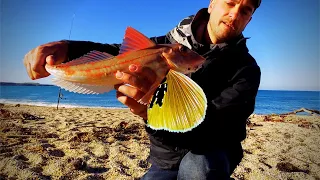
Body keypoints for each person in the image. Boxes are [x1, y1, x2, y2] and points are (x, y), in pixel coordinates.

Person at [23, 0, 262, 179]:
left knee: (199, 168)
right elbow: (116, 53)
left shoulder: (246, 69)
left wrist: (152, 112)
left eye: (245, 10)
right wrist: (66, 49)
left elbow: (218, 127)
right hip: (165, 154)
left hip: (213, 150)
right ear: (211, 4)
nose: (234, 14)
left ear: (250, 19)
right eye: (230, 2)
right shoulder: (166, 45)